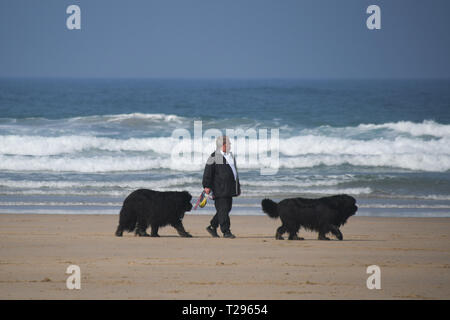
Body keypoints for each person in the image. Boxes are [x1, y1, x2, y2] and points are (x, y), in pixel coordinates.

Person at [202, 136, 241, 238]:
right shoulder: (214, 156)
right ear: (222, 145)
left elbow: (234, 172)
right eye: (228, 143)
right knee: (223, 209)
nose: (230, 145)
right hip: (219, 188)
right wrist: (206, 185)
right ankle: (226, 231)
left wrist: (237, 187)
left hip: (230, 188)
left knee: (226, 209)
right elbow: (208, 172)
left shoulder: (230, 155)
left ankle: (212, 226)